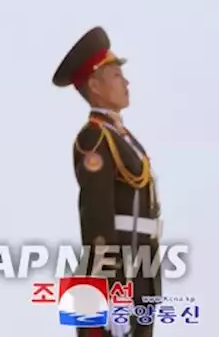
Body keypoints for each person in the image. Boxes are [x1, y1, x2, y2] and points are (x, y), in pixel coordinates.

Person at [53, 27, 161, 337]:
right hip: (117, 274)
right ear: (95, 85)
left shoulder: (125, 139)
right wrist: (113, 292)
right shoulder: (95, 137)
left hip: (140, 267)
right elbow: (97, 222)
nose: (125, 82)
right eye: (115, 75)